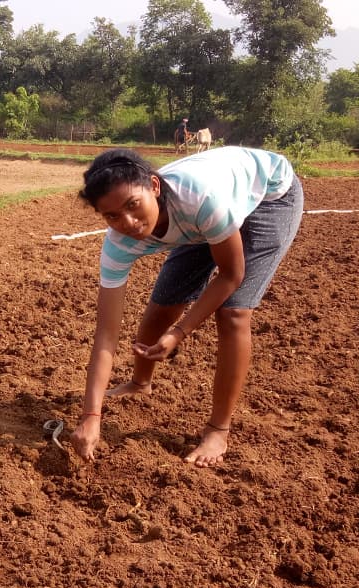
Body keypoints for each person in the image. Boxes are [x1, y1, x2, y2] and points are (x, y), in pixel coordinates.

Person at [69, 146, 303, 467]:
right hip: (201, 220)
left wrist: (179, 333)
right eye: (112, 216)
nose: (129, 222)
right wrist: (91, 415)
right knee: (163, 303)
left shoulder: (198, 199)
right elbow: (106, 335)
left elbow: (231, 275)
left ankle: (218, 430)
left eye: (133, 205)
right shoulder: (118, 243)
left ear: (154, 186)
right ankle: (140, 384)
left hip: (269, 195)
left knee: (233, 311)